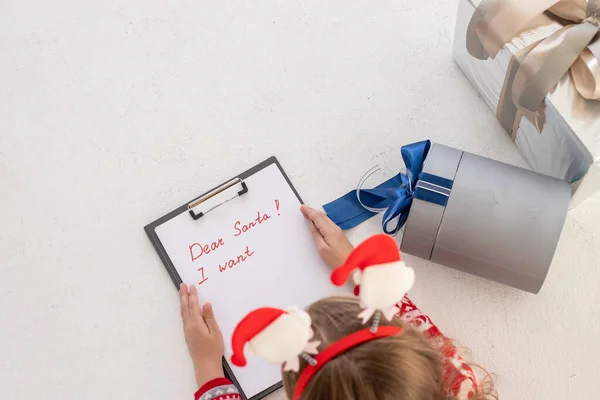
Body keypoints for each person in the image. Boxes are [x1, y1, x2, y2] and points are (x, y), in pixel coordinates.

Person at [178, 205, 494, 400]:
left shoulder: (452, 379)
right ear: (425, 361)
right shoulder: (457, 385)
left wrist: (208, 367)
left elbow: (407, 333)